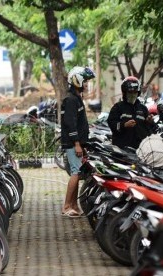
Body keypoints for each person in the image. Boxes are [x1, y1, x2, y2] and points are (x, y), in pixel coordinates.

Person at [60, 66, 95, 217]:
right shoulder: (70, 100)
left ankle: (74, 205)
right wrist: (77, 143)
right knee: (75, 172)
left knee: (78, 172)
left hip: (78, 143)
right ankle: (67, 206)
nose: (86, 84)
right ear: (77, 80)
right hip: (72, 143)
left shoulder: (77, 98)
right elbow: (70, 123)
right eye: (85, 81)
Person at [107, 76, 154, 150]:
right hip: (122, 149)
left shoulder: (143, 108)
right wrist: (124, 125)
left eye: (135, 92)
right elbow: (111, 123)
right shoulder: (118, 107)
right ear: (124, 93)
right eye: (130, 92)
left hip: (140, 149)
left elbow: (150, 129)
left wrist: (149, 122)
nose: (132, 95)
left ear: (138, 93)